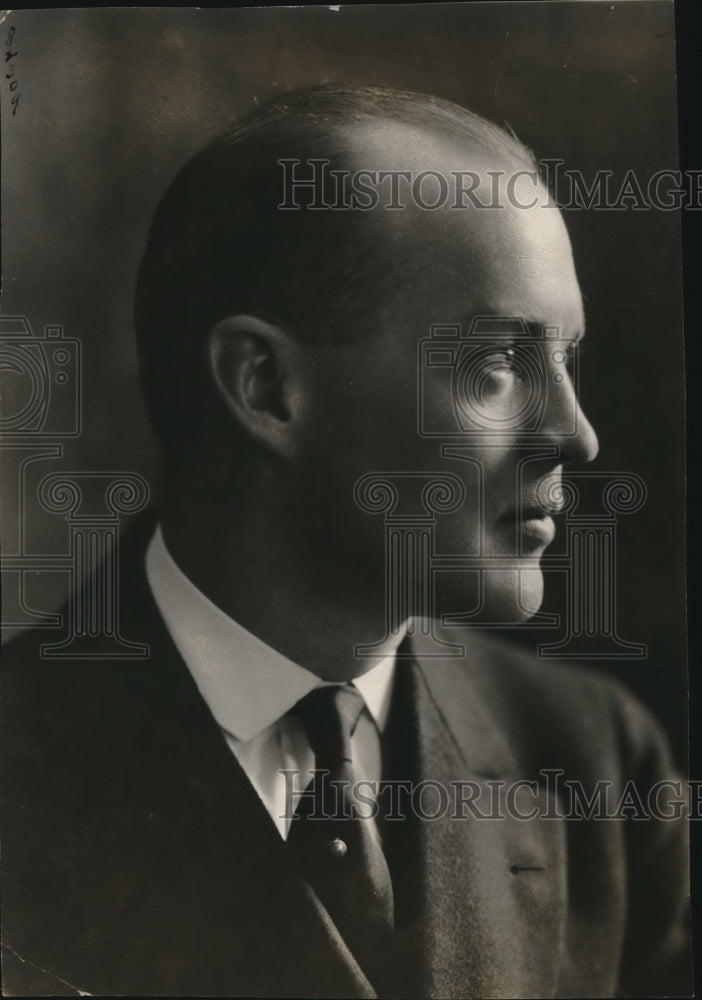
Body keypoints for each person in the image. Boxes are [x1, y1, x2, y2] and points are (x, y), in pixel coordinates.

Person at [2, 85, 691, 998]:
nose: (575, 434)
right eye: (497, 365)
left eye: (569, 360)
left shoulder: (595, 764)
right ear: (265, 388)